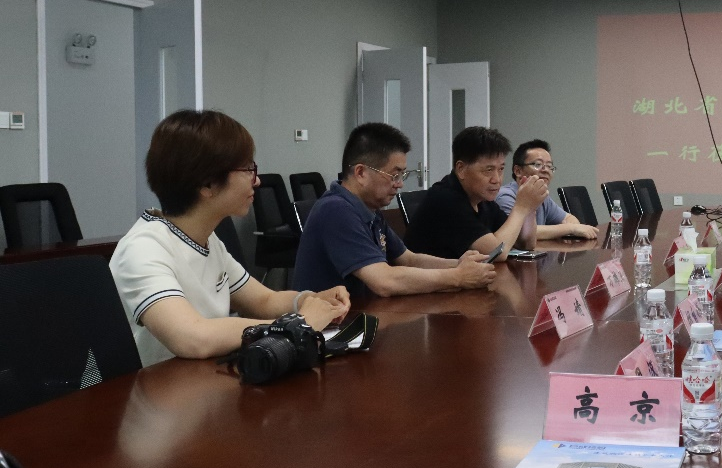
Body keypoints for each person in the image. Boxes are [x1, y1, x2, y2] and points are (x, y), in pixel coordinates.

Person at [110, 110, 350, 368]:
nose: (257, 181)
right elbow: (192, 338)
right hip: (155, 387)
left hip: (200, 377)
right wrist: (297, 324)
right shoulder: (144, 249)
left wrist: (307, 300)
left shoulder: (207, 239)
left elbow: (263, 300)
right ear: (208, 184)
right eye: (248, 169)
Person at [293, 123, 496, 299]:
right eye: (394, 175)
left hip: (362, 315)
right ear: (361, 173)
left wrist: (459, 264)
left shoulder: (369, 209)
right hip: (329, 326)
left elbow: (408, 259)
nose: (399, 184)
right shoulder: (336, 210)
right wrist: (458, 277)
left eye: (402, 175)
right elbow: (384, 281)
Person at [408, 126, 548, 259]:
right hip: (430, 276)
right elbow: (496, 253)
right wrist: (521, 207)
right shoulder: (445, 198)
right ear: (461, 169)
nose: (497, 179)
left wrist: (530, 208)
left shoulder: (482, 200)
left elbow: (526, 244)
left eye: (500, 169)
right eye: (488, 170)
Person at [495, 139, 598, 241]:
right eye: (537, 165)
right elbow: (519, 234)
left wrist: (571, 227)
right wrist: (569, 228)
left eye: (549, 166)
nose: (546, 170)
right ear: (518, 171)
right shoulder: (506, 196)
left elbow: (569, 219)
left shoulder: (542, 196)